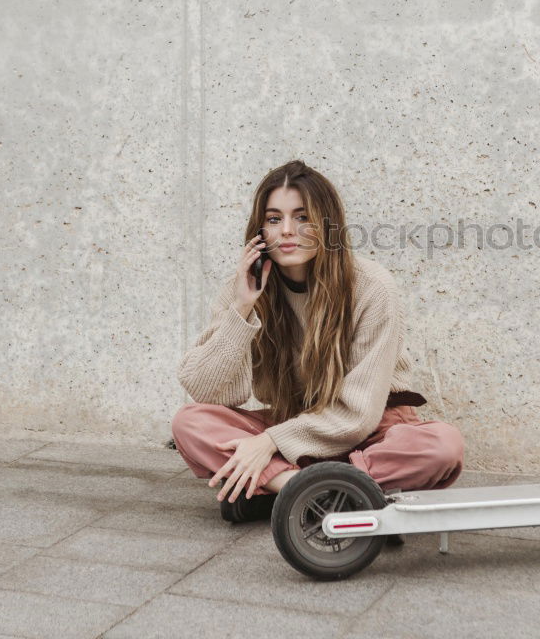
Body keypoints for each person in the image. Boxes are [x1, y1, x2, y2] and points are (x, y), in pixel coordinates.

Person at [171, 159, 465, 526]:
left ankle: (277, 491)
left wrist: (270, 444)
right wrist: (242, 308)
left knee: (442, 446)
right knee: (190, 422)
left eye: (303, 217)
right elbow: (208, 390)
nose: (287, 231)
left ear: (327, 224)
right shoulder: (246, 288)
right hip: (294, 422)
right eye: (274, 219)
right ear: (260, 228)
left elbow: (358, 415)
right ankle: (317, 493)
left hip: (371, 431)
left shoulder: (372, 287)